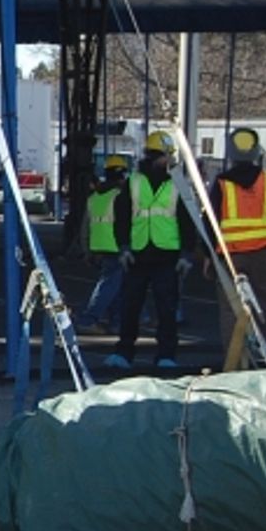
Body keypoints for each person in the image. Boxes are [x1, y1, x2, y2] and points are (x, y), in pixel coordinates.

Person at [106, 130, 196, 370]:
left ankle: (165, 355)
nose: (169, 160)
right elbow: (122, 217)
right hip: (139, 255)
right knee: (132, 307)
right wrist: (123, 247)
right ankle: (125, 353)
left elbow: (187, 220)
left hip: (166, 256)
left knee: (166, 309)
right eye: (167, 156)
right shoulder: (134, 182)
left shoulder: (177, 184)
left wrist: (187, 253)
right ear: (161, 156)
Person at [207, 126, 266, 367]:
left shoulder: (222, 184)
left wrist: (209, 256)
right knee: (264, 307)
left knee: (230, 310)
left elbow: (210, 220)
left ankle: (234, 364)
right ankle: (264, 362)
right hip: (263, 254)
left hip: (231, 256)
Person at [74, 154, 130, 334]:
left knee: (116, 288)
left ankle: (116, 323)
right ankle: (87, 319)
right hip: (116, 248)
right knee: (109, 286)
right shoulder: (120, 196)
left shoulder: (94, 198)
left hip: (98, 248)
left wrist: (86, 250)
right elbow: (128, 224)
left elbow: (85, 227)